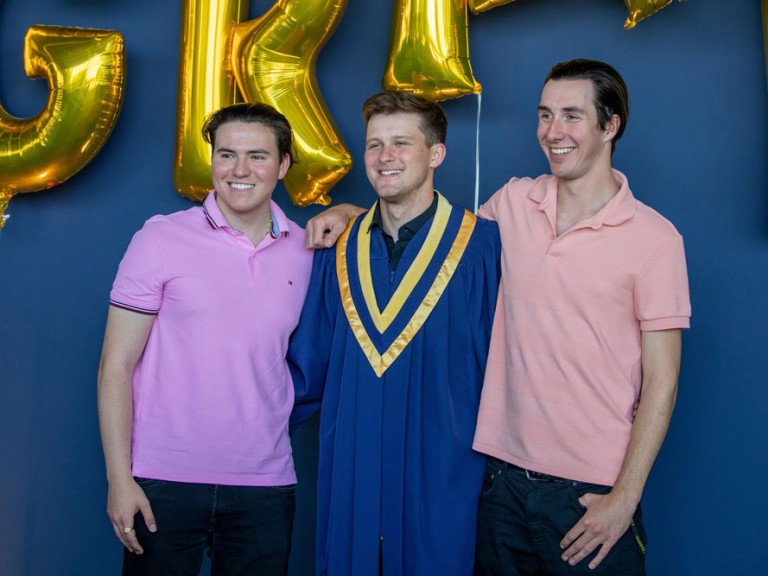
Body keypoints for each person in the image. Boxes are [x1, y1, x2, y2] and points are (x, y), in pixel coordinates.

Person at [304, 60, 691, 575]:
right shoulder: (511, 205)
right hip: (500, 484)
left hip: (587, 493)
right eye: (545, 115)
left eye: (572, 116)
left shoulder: (655, 239)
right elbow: (426, 230)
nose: (554, 132)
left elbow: (662, 382)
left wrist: (623, 498)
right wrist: (355, 214)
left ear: (610, 124)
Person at [287, 91, 501, 575]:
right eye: (374, 145)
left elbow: (504, 366)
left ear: (437, 154)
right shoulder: (336, 250)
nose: (385, 157)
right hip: (353, 472)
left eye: (401, 143)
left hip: (445, 469)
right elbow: (308, 365)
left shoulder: (483, 248)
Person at [97, 102, 313, 575]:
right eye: (226, 154)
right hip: (163, 480)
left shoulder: (308, 249)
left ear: (284, 164)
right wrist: (119, 478)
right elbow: (115, 365)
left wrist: (346, 210)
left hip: (266, 480)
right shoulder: (160, 238)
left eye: (257, 156)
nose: (239, 170)